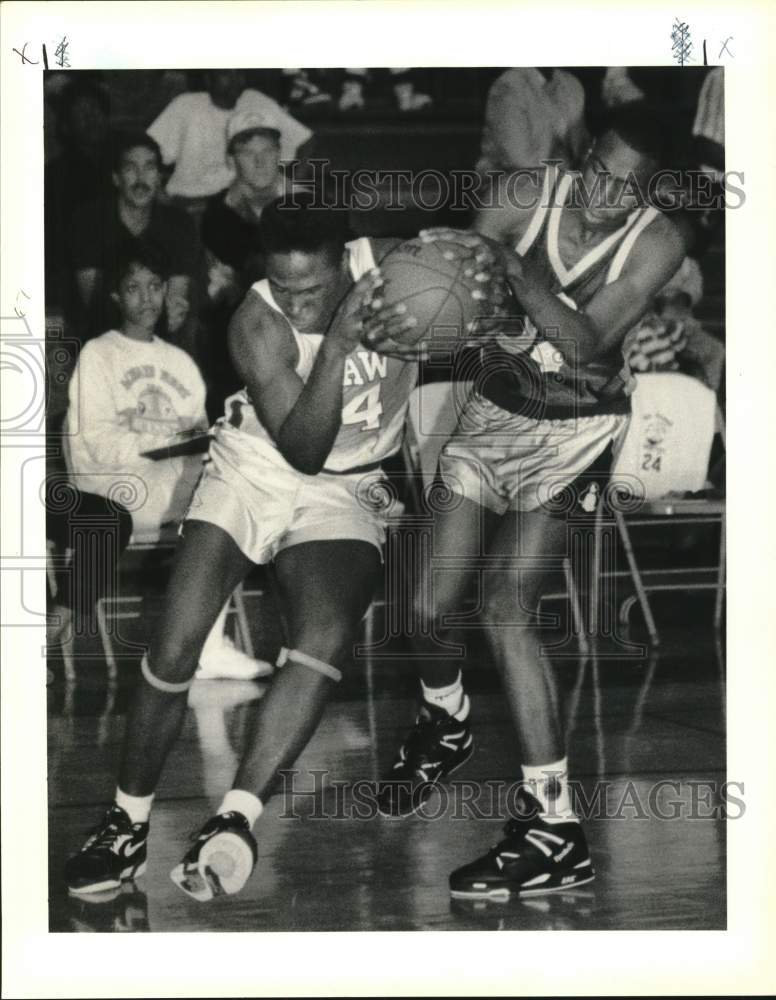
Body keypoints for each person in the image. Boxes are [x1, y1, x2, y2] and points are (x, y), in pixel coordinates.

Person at [63, 194, 494, 901]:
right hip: (258, 465)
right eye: (283, 286)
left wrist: (478, 301)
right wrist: (344, 342)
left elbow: (479, 266)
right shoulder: (254, 325)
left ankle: (234, 819)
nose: (296, 301)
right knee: (174, 645)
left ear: (347, 261)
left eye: (315, 288)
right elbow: (301, 445)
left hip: (348, 485)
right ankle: (125, 825)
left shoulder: (394, 266)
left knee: (324, 634)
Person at [368, 103, 686, 898]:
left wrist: (514, 279)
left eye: (623, 189)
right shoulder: (521, 193)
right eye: (597, 171)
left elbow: (584, 341)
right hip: (496, 412)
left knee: (507, 606)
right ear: (582, 154)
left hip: (577, 435)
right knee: (421, 606)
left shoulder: (658, 243)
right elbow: (470, 309)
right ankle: (445, 718)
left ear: (649, 197)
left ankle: (554, 828)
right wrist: (475, 311)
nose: (600, 195)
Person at [64, 237, 270, 683]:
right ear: (117, 295)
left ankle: (210, 646)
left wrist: (194, 442)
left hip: (168, 483)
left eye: (154, 286)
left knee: (235, 491)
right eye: (133, 288)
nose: (146, 299)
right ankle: (207, 648)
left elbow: (199, 437)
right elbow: (96, 443)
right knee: (217, 507)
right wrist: (169, 442)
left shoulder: (179, 361)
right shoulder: (98, 355)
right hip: (111, 489)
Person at [200, 110, 300, 416]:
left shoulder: (309, 203)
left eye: (267, 150)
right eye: (248, 152)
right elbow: (250, 273)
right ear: (232, 159)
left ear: (280, 154)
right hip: (242, 328)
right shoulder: (217, 214)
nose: (259, 161)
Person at [70, 132, 202, 352]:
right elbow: (94, 304)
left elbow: (176, 299)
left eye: (149, 168)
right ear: (116, 177)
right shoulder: (89, 222)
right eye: (131, 168)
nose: (141, 179)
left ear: (160, 176)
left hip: (162, 332)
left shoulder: (179, 224)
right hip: (105, 334)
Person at [147, 70, 312, 212]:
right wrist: (163, 201)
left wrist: (286, 195)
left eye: (240, 73)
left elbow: (306, 142)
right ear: (208, 79)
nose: (236, 81)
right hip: (189, 202)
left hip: (242, 204)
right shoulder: (186, 105)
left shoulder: (256, 101)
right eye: (226, 74)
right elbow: (145, 151)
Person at [476, 68, 587, 176]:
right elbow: (520, 163)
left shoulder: (570, 85)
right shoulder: (508, 87)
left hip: (560, 182)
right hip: (506, 183)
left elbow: (580, 149)